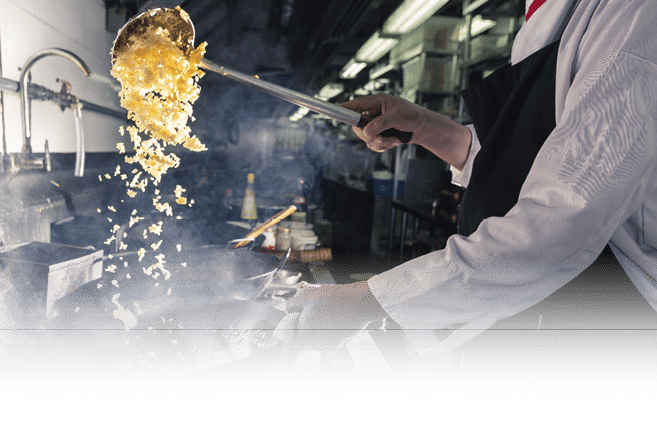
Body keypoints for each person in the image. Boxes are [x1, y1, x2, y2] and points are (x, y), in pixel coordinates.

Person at [276, 0, 657, 369]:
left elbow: (563, 218)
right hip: (532, 313)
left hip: (612, 325)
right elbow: (523, 170)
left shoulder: (633, 16)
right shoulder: (542, 16)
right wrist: (426, 127)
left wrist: (365, 300)